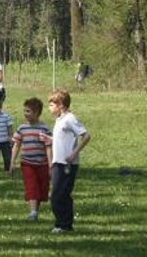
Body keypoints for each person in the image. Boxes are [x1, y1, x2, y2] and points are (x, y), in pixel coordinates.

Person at [48, 89, 91, 233]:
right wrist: (49, 139)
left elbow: (86, 136)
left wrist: (74, 153)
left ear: (61, 105)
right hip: (57, 162)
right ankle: (61, 223)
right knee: (57, 195)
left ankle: (64, 224)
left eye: (52, 105)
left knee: (60, 195)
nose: (49, 108)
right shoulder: (59, 120)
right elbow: (62, 139)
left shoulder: (70, 119)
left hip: (67, 164)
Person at [10, 97, 52, 221]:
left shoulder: (44, 129)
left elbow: (49, 147)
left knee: (41, 188)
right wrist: (12, 162)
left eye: (28, 111)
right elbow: (16, 145)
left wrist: (50, 164)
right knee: (31, 186)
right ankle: (32, 212)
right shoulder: (22, 128)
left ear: (37, 112)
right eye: (25, 111)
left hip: (42, 164)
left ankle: (35, 211)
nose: (25, 114)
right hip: (27, 164)